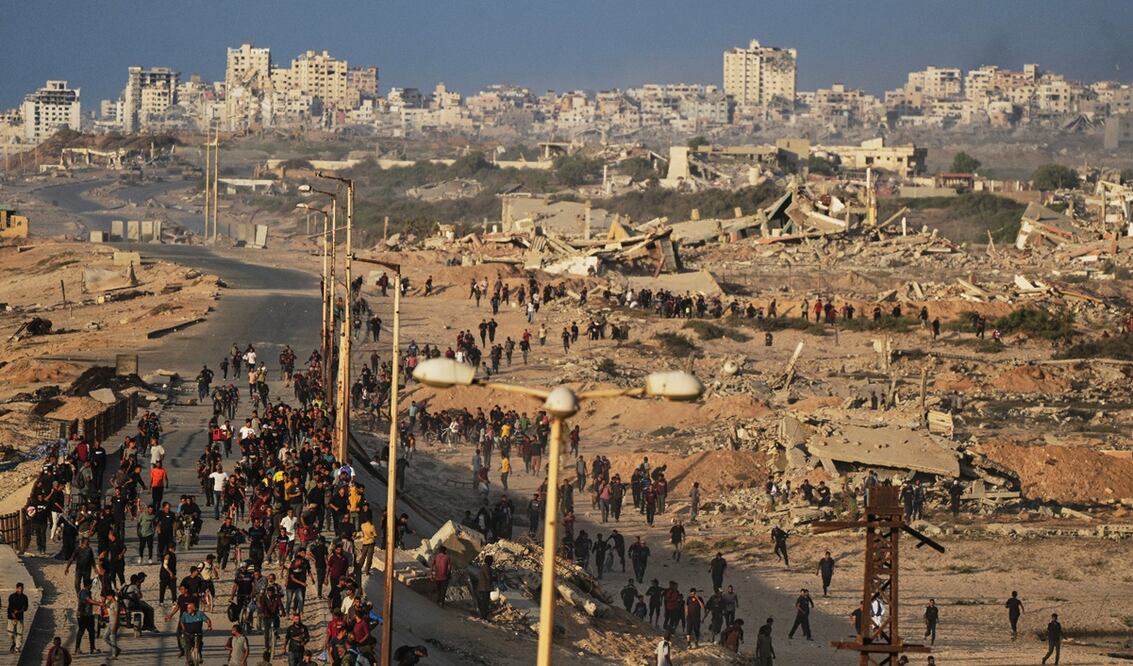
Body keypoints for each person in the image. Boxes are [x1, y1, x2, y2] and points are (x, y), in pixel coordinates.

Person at [7, 582, 28, 653]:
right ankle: (13, 643)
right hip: (11, 617)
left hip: (20, 618)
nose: (21, 590)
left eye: (22, 589)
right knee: (10, 633)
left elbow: (25, 608)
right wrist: (13, 614)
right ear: (17, 588)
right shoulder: (12, 596)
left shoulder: (24, 597)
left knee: (19, 633)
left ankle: (17, 648)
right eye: (19, 588)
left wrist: (18, 612)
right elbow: (9, 607)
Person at [476, 555, 495, 619]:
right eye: (491, 561)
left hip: (483, 587)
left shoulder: (484, 567)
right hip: (485, 588)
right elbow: (488, 578)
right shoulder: (486, 567)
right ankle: (483, 616)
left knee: (484, 602)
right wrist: (495, 578)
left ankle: (483, 615)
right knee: (485, 602)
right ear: (489, 561)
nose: (492, 562)